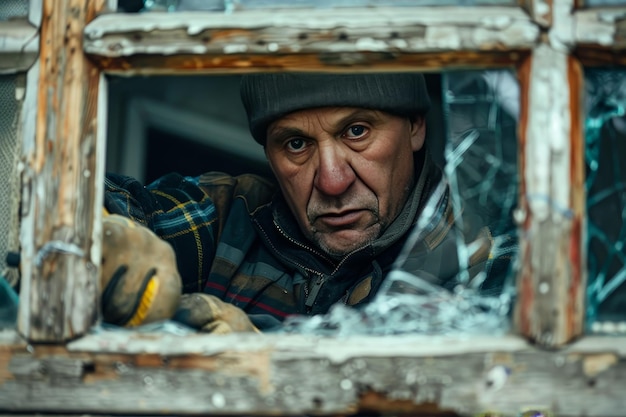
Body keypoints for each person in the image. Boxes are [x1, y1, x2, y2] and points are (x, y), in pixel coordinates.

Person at [101, 72, 505, 333]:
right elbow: (108, 205)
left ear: (416, 126)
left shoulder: (485, 264)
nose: (332, 181)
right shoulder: (230, 217)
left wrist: (267, 370)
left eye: (357, 131)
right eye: (296, 144)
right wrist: (106, 230)